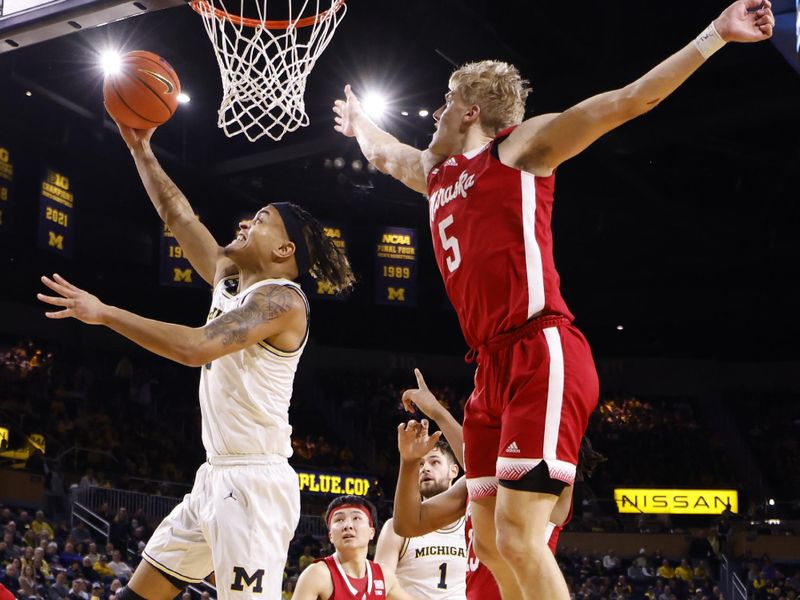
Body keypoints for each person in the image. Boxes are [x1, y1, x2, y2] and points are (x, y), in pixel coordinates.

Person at [333, 2, 774, 598]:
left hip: (541, 347)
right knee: (487, 542)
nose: (433, 113)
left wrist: (715, 35)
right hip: (490, 365)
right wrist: (360, 122)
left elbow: (628, 99)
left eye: (442, 101)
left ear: (469, 109)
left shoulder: (518, 151)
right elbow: (386, 155)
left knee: (518, 538)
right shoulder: (437, 176)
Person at [38, 118, 355, 600]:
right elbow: (178, 215)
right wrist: (141, 150)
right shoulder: (230, 278)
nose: (246, 223)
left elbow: (194, 347)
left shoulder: (282, 302)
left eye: (262, 219)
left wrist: (104, 313)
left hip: (255, 485)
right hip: (215, 476)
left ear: (285, 249)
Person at [374, 428, 464, 599]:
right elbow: (380, 585)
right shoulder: (394, 527)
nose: (425, 469)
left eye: (434, 462)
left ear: (454, 471)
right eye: (420, 464)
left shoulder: (472, 524)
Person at [292, 496, 413, 599]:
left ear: (372, 532)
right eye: (339, 519)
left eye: (356, 518)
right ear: (331, 536)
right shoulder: (317, 574)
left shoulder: (384, 576)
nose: (347, 525)